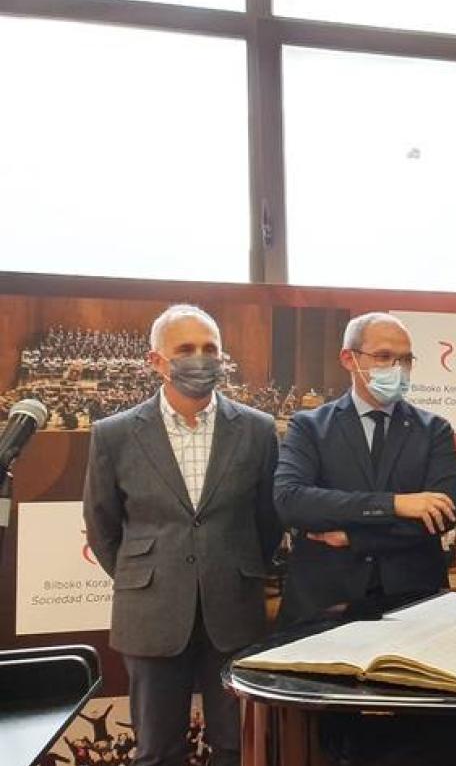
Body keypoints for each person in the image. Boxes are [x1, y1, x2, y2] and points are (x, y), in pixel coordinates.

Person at [83, 304, 281, 766]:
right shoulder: (113, 434)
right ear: (156, 360)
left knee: (237, 747)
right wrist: (146, 575)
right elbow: (102, 525)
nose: (201, 358)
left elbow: (269, 522)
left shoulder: (257, 429)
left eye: (210, 348)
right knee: (157, 750)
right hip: (150, 614)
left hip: (234, 610)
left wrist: (235, 566)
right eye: (186, 348)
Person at [274, 312, 456, 625]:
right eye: (384, 356)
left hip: (414, 600)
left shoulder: (434, 431)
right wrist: (394, 504)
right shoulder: (309, 427)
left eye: (406, 359)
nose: (397, 368)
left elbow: (443, 515)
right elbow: (292, 501)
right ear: (349, 359)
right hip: (325, 602)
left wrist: (354, 536)